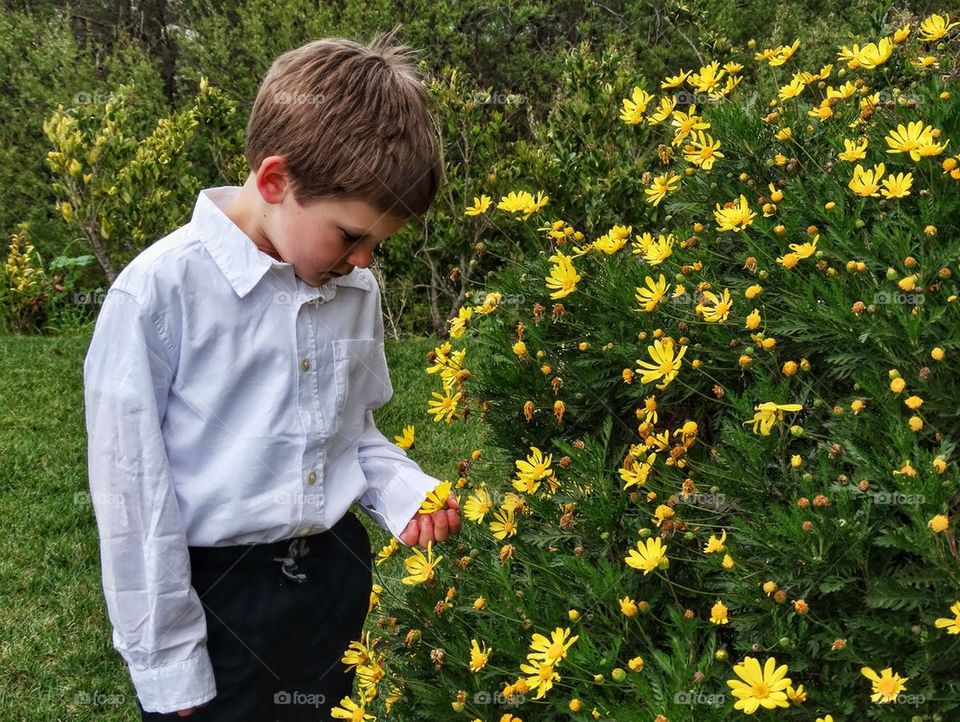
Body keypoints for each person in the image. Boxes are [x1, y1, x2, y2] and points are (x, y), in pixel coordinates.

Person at [82, 27, 460, 721]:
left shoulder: (355, 292)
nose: (367, 262)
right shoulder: (158, 296)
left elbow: (354, 432)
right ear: (276, 181)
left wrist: (404, 492)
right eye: (352, 237)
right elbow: (133, 495)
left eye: (378, 244)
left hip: (331, 579)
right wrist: (168, 666)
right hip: (218, 597)